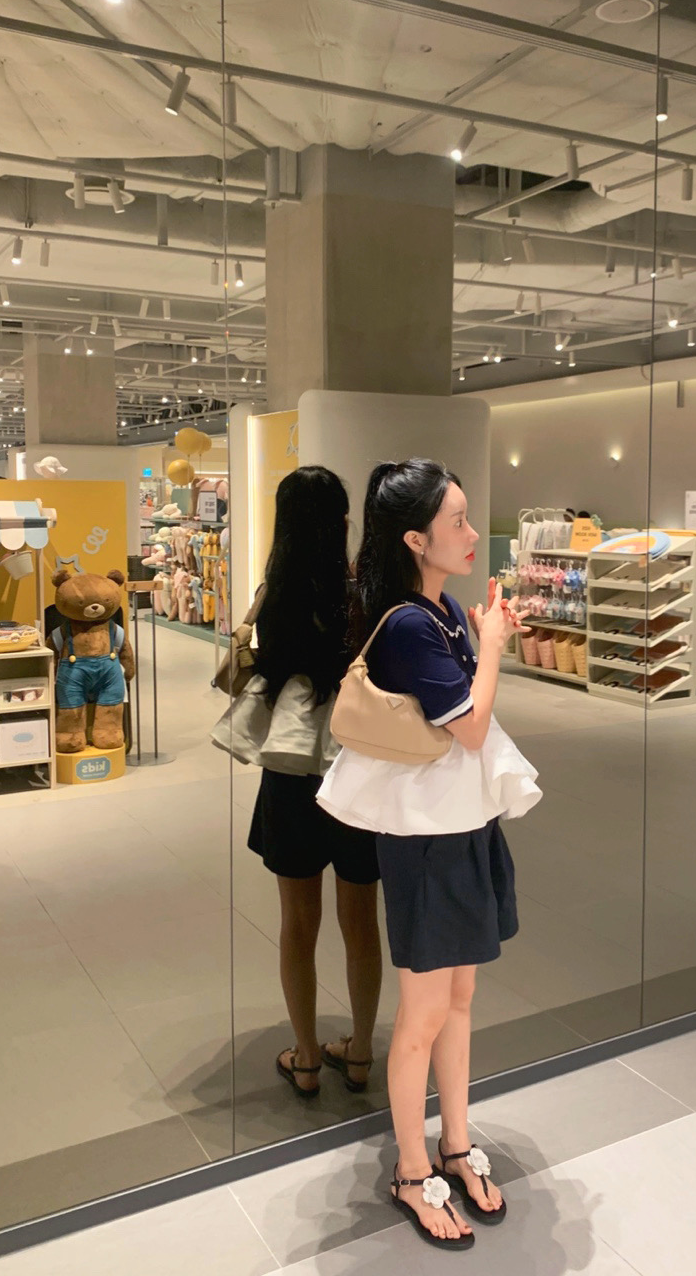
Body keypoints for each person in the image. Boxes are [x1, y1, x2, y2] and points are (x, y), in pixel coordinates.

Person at [317, 458, 542, 1250]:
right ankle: (413, 1171)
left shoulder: (439, 609)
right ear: (416, 539)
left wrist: (479, 636)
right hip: (425, 842)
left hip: (462, 826)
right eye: (457, 522)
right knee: (421, 1015)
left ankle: (455, 1142)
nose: (473, 533)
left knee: (459, 1001)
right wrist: (493, 646)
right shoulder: (412, 623)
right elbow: (470, 729)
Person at [246, 466, 383, 1098]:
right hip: (357, 766)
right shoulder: (365, 595)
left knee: (298, 922)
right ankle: (360, 1053)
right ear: (343, 520)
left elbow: (265, 671)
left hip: (292, 766)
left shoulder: (275, 596)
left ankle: (304, 1057)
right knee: (362, 919)